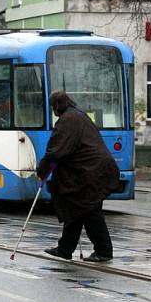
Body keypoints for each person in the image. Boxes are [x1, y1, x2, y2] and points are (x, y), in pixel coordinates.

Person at [38, 91, 119, 262]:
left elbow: (56, 150)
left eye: (53, 107)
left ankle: (103, 251)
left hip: (91, 172)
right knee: (76, 209)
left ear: (56, 106)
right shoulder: (78, 116)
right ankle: (65, 248)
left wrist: (42, 171)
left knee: (90, 211)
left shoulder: (67, 120)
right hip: (95, 170)